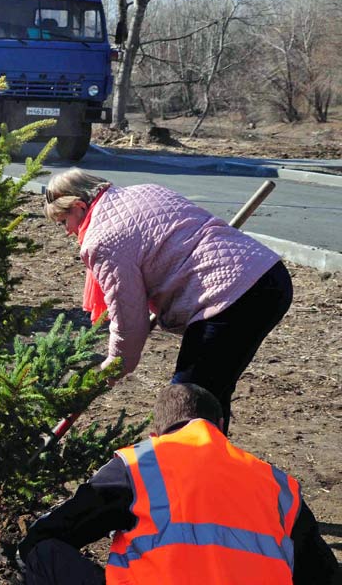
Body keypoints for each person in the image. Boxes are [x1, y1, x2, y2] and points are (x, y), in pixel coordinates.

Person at [43, 169, 292, 433]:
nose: (68, 232)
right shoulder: (145, 190)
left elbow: (129, 320)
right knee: (210, 392)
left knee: (187, 401)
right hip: (269, 276)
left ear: (80, 206)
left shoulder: (102, 239)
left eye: (63, 221)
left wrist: (112, 367)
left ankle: (189, 469)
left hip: (231, 298)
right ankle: (214, 465)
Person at [19, 383, 340, 585]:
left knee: (42, 553)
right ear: (222, 426)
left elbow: (45, 536)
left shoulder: (139, 465)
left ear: (155, 435)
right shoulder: (279, 486)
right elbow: (325, 576)